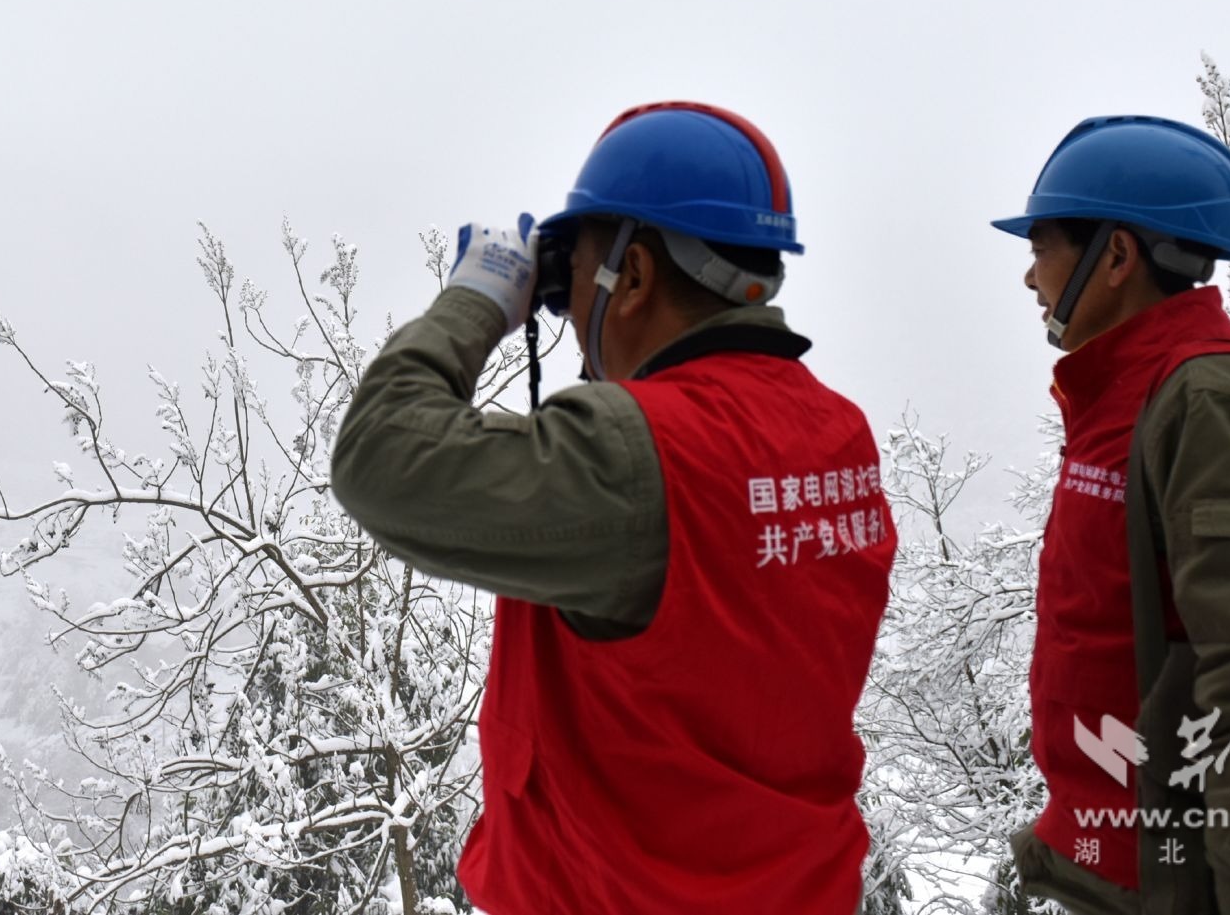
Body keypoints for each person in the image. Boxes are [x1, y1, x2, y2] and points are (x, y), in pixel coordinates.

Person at [330, 101, 896, 915]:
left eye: (575, 270)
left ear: (631, 276)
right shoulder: (837, 431)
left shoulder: (637, 454)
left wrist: (479, 300)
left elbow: (378, 455)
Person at [994, 114, 1230, 915]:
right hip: (1130, 869)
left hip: (1188, 886)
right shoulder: (1127, 398)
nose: (1030, 277)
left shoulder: (1213, 405)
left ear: (1116, 256)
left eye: (1040, 247)